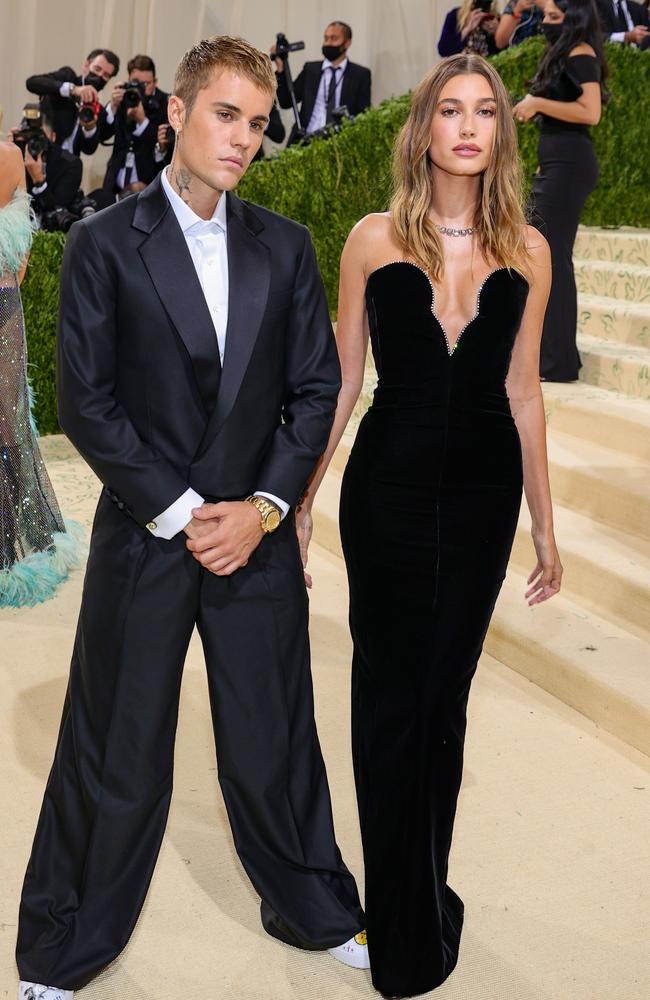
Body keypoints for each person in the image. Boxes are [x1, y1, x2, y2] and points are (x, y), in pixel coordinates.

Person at [16, 35, 367, 1000]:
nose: (244, 138)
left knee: (274, 737)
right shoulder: (100, 242)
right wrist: (182, 511)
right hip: (147, 532)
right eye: (225, 115)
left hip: (251, 538)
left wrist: (259, 509)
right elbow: (87, 402)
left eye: (258, 123)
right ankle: (68, 942)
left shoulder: (285, 245)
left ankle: (315, 906)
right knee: (116, 747)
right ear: (177, 114)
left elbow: (315, 388)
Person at [296, 53, 563, 999]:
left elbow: (524, 391)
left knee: (441, 701)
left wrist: (545, 525)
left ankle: (420, 895)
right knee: (387, 697)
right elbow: (341, 385)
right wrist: (300, 502)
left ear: (500, 131)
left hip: (486, 497)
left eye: (484, 110)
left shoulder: (528, 248)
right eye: (449, 109)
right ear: (424, 128)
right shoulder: (372, 240)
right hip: (389, 496)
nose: (466, 125)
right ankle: (403, 923)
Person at [0, 136, 82, 608]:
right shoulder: (12, 156)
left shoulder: (9, 156)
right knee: (8, 416)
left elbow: (20, 246)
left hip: (3, 306)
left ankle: (14, 542)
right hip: (6, 299)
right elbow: (22, 247)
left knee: (8, 419)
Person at [513, 0, 607, 381]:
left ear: (575, 18)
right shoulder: (566, 52)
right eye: (546, 17)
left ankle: (558, 361)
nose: (546, 24)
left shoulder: (581, 53)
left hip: (570, 166)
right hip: (556, 165)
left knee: (552, 259)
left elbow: (591, 112)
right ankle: (552, 356)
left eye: (554, 17)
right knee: (543, 258)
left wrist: (537, 102)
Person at [273, 21, 371, 145]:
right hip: (304, 142)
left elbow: (363, 115)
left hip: (338, 144)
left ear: (347, 42)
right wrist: (281, 69)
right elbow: (286, 101)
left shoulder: (360, 75)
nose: (328, 43)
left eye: (334, 38)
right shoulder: (310, 69)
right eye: (326, 38)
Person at [97, 55, 169, 200]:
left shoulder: (165, 103)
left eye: (146, 84)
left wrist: (142, 121)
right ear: (129, 80)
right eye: (136, 83)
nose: (141, 88)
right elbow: (102, 135)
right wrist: (113, 106)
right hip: (115, 182)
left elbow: (165, 146)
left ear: (155, 82)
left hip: (147, 183)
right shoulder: (124, 96)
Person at [25, 48, 120, 157]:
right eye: (97, 69)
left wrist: (89, 128)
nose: (99, 76)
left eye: (106, 75)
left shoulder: (97, 109)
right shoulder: (68, 77)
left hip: (68, 166)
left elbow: (89, 150)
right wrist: (73, 90)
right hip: (41, 154)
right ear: (86, 65)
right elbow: (32, 83)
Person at [8, 101, 82, 228]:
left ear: (53, 137)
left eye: (39, 137)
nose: (34, 143)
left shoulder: (71, 164)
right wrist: (8, 154)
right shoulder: (18, 154)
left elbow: (57, 216)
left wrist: (39, 181)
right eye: (30, 137)